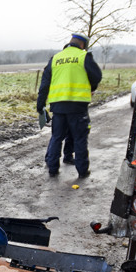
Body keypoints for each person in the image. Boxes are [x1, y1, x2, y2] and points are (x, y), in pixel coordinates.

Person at [36, 33, 102, 178]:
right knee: (79, 138)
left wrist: (40, 105)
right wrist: (91, 87)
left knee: (56, 137)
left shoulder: (55, 59)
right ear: (83, 44)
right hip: (77, 106)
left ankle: (53, 169)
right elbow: (97, 76)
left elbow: (44, 84)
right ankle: (82, 171)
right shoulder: (84, 57)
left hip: (58, 107)